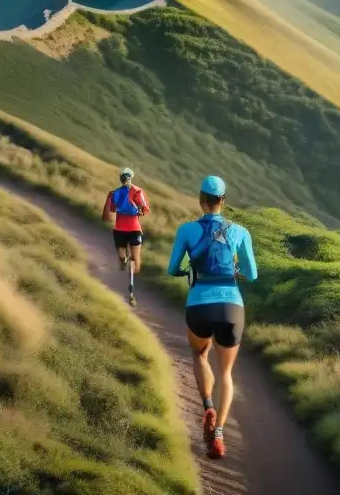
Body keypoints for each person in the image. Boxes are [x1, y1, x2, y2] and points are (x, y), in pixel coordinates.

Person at [167, 175, 257, 460]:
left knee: (200, 355)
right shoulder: (240, 231)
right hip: (232, 306)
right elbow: (252, 274)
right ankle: (218, 433)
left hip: (199, 304)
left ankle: (207, 402)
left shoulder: (186, 230)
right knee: (226, 374)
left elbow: (173, 268)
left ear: (201, 199)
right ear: (223, 201)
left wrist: (189, 268)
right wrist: (235, 270)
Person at [102, 167, 150, 306]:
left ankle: (131, 280)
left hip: (128, 229)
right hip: (125, 229)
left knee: (132, 258)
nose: (125, 180)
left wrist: (139, 211)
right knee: (128, 258)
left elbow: (144, 208)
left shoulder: (127, 192)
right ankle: (127, 267)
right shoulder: (126, 192)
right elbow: (144, 208)